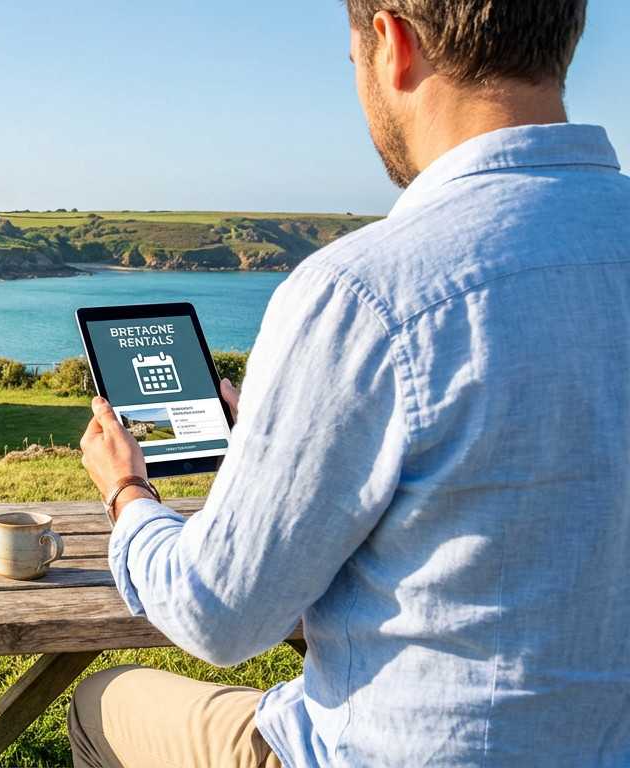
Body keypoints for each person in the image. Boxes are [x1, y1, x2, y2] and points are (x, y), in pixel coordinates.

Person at [68, 1, 630, 766]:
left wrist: (126, 493)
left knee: (101, 703)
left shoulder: (365, 292)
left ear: (393, 43)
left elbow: (218, 614)